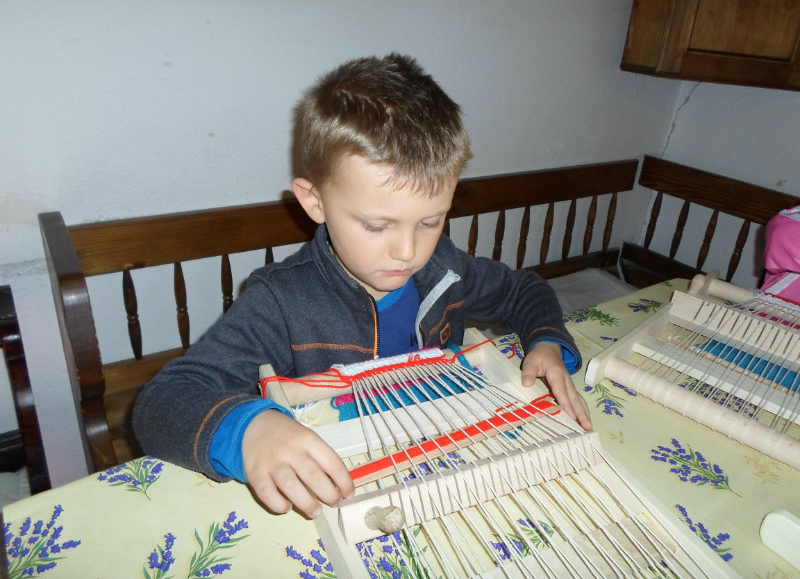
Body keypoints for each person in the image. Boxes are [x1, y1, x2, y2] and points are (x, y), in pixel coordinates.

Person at [133, 53, 591, 521]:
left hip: (449, 467)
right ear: (315, 201)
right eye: (376, 225)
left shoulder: (444, 267)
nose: (408, 252)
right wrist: (249, 431)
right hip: (341, 492)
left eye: (431, 221)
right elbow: (161, 402)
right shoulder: (280, 301)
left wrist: (546, 341)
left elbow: (524, 290)